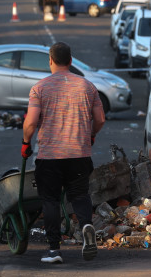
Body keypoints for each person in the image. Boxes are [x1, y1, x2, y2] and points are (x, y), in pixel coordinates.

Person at [21, 42, 106, 264]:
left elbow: (30, 122)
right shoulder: (87, 87)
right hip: (79, 154)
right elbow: (100, 119)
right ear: (70, 60)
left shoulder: (39, 88)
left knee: (50, 200)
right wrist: (92, 135)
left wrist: (25, 142)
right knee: (79, 196)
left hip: (50, 156)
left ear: (50, 60)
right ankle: (87, 225)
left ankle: (54, 250)